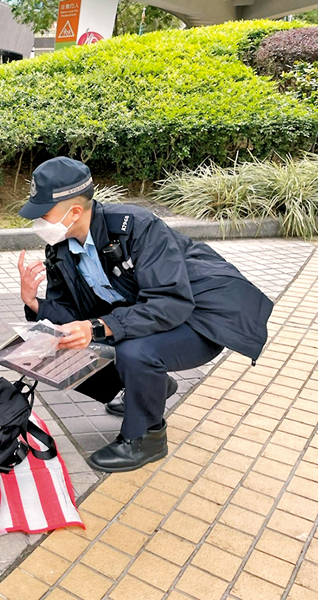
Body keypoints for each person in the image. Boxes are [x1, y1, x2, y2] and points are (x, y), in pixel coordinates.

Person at [17, 157, 273, 472]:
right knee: (56, 348)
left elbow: (172, 302)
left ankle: (147, 437)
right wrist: (34, 304)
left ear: (74, 212)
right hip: (146, 317)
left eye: (44, 214)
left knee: (134, 351)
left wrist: (99, 327)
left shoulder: (136, 227)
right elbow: (73, 314)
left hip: (198, 318)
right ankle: (152, 386)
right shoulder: (60, 248)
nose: (38, 222)